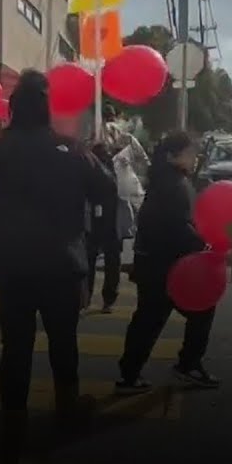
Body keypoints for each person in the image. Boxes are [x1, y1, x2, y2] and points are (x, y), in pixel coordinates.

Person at [0, 70, 117, 464]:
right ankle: (67, 410)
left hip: (9, 266)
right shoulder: (73, 151)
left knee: (16, 346)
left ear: (12, 112)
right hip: (63, 265)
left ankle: (13, 426)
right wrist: (94, 241)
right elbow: (107, 191)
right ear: (47, 112)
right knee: (64, 342)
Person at [116, 130, 220, 393]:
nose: (195, 158)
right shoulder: (172, 185)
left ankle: (130, 374)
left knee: (148, 320)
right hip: (166, 266)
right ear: (173, 156)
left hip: (156, 263)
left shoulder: (168, 180)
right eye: (190, 153)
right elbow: (177, 226)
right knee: (198, 310)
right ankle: (187, 365)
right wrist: (204, 245)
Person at [87, 104, 149, 312]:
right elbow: (143, 162)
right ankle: (105, 299)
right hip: (110, 204)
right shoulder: (96, 143)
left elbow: (142, 161)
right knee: (109, 254)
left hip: (104, 205)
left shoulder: (120, 141)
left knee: (95, 253)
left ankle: (91, 299)